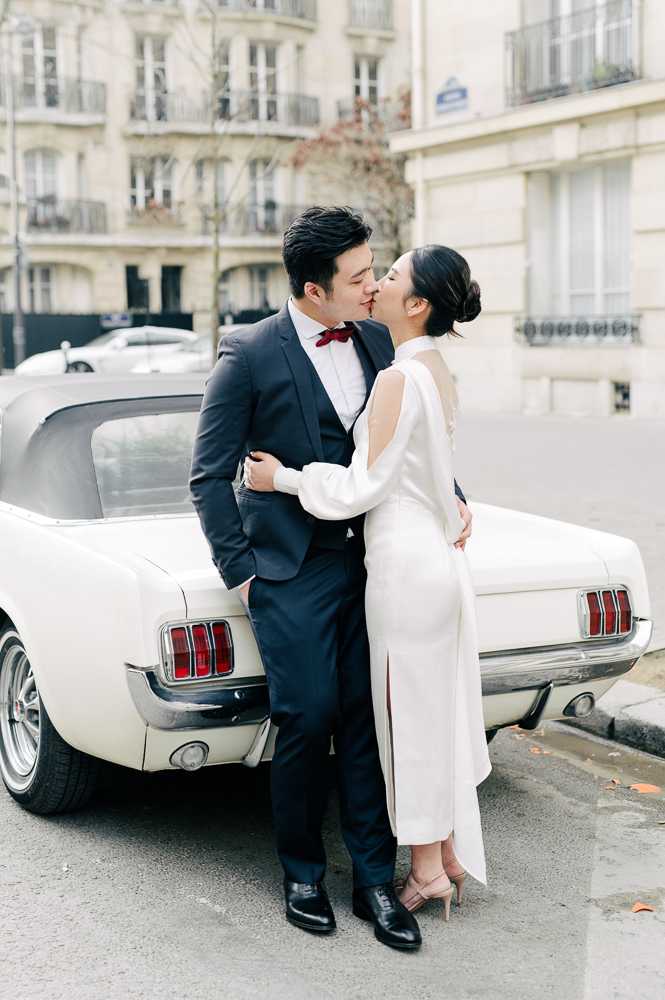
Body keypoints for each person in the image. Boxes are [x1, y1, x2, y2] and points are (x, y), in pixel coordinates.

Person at [189, 207, 471, 952]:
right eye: (357, 277)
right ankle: (302, 873)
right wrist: (242, 573)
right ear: (315, 291)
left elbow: (404, 447)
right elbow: (209, 473)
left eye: (376, 269)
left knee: (366, 719)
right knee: (308, 715)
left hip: (374, 562)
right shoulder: (248, 352)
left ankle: (375, 881)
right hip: (289, 569)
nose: (371, 283)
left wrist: (455, 494)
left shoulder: (382, 339)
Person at [244, 243, 492, 924]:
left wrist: (283, 478)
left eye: (388, 276)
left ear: (415, 305)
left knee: (403, 723)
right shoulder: (435, 369)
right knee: (431, 714)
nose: (375, 284)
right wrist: (454, 507)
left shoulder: (394, 379)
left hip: (404, 571)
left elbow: (363, 486)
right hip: (436, 561)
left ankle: (423, 872)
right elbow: (429, 468)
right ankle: (440, 857)